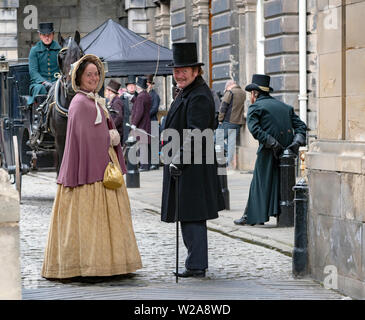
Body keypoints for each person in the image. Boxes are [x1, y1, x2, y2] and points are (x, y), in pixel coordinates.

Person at [41, 54, 142, 280]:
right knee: (88, 218)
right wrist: (109, 137)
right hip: (86, 171)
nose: (94, 78)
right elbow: (84, 137)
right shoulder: (80, 103)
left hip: (102, 164)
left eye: (96, 74)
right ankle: (86, 266)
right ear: (79, 77)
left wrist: (108, 137)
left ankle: (112, 263)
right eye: (89, 74)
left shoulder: (93, 100)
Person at [161, 42, 225, 278]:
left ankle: (196, 265)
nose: (179, 74)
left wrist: (178, 160)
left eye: (184, 70)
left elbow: (195, 133)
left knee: (192, 215)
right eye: (176, 70)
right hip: (187, 165)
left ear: (196, 71)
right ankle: (195, 262)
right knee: (187, 215)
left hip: (192, 167)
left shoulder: (198, 96)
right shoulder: (187, 92)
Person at [233, 74, 307, 226]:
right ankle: (261, 215)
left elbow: (254, 129)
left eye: (251, 94)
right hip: (286, 152)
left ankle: (251, 217)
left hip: (268, 151)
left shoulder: (256, 107)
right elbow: (301, 127)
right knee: (279, 183)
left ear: (255, 93)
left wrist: (272, 143)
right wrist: (294, 143)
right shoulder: (285, 107)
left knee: (259, 184)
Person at [28, 22, 61, 105]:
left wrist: (58, 81)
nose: (47, 37)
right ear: (40, 35)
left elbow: (63, 69)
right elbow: (33, 72)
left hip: (56, 82)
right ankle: (39, 114)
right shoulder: (34, 50)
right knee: (40, 89)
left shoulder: (60, 50)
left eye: (49, 35)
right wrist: (44, 82)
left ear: (53, 34)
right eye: (44, 35)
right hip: (39, 83)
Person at [217, 80, 246, 169]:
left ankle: (226, 152)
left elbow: (223, 106)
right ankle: (228, 163)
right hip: (238, 122)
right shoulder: (243, 93)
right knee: (231, 143)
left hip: (228, 121)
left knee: (216, 138)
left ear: (229, 85)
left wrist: (220, 119)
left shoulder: (230, 92)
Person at [130, 76, 152, 171]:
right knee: (145, 145)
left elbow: (139, 111)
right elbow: (140, 103)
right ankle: (147, 165)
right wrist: (132, 98)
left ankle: (144, 166)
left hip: (141, 124)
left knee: (142, 145)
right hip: (146, 122)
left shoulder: (140, 96)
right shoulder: (146, 95)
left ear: (138, 87)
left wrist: (134, 123)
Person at [146, 74, 161, 170]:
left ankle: (155, 163)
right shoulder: (145, 95)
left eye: (148, 85)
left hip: (153, 121)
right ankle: (150, 162)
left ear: (151, 85)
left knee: (154, 143)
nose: (147, 86)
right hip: (147, 122)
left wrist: (145, 114)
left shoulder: (155, 95)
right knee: (148, 143)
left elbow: (155, 108)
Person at [105, 79, 125, 144]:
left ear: (110, 91)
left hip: (116, 133)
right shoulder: (113, 101)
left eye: (107, 90)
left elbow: (119, 117)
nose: (105, 92)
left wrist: (111, 127)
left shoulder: (116, 102)